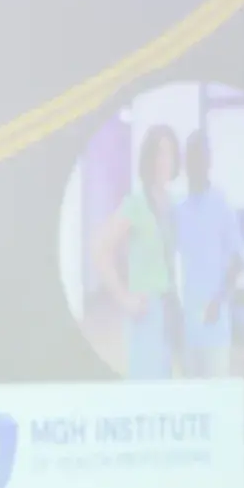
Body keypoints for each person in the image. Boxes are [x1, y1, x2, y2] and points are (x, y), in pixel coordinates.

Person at [94, 124, 183, 379]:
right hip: (146, 309)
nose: (163, 161)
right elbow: (100, 249)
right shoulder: (136, 203)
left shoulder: (174, 202)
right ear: (148, 159)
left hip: (170, 306)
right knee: (147, 385)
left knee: (167, 379)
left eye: (169, 153)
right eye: (157, 153)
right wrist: (124, 298)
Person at [174, 130, 244, 379]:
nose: (196, 164)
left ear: (209, 162)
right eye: (191, 158)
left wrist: (219, 301)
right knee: (191, 394)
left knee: (216, 389)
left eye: (201, 157)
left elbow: (238, 260)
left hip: (215, 322)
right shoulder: (179, 209)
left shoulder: (221, 204)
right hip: (187, 322)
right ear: (185, 163)